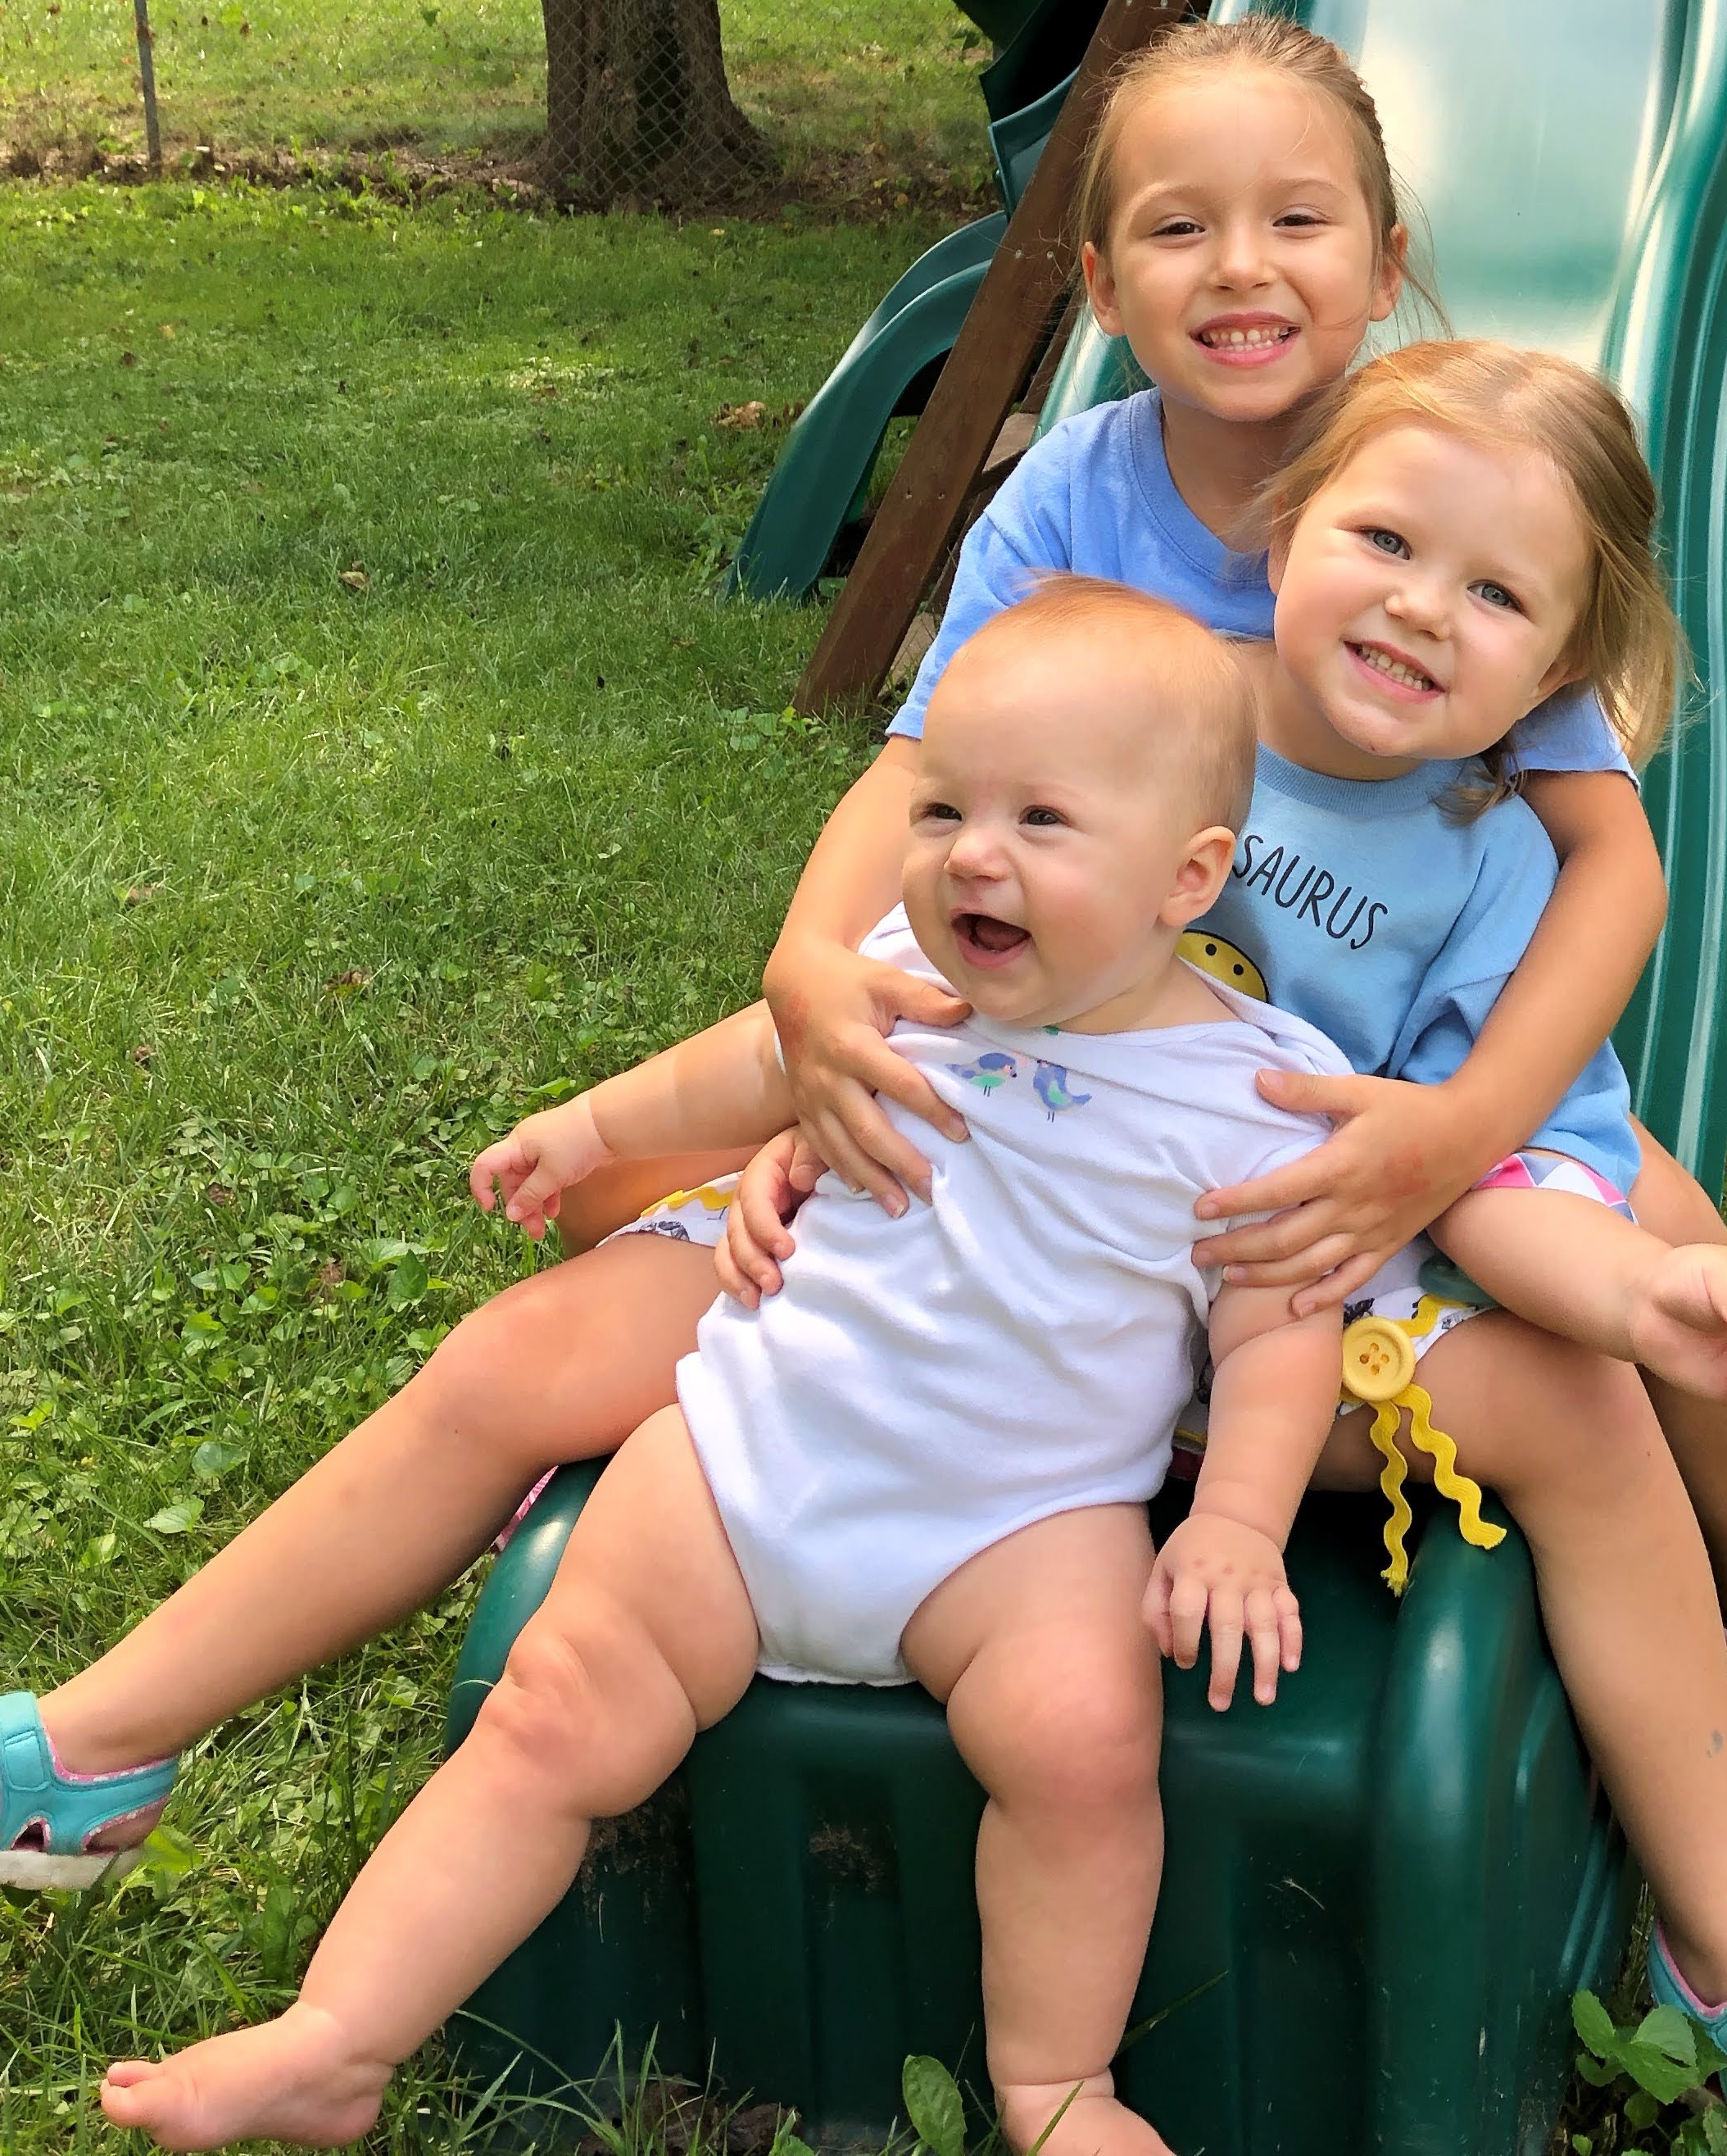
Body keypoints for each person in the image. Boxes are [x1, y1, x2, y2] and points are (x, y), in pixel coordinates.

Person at [0, 11, 1727, 1907]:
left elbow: (1606, 865)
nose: (1243, 267)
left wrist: (1460, 1126)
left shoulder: (1448, 502)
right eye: (1180, 227)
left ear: (1386, 263)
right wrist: (807, 970)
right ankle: (101, 1739)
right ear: (1103, 285)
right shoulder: (1087, 493)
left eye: (1298, 220)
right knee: (592, 1277)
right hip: (1025, 1106)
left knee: (1647, 1215)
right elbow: (919, 778)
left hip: (1299, 1150)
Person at [462, 342, 1727, 2155]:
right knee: (621, 1272)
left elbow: (1507, 1187)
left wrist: (1646, 1290)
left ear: (1562, 672)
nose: (1419, 609)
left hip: (1262, 1344)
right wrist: (727, 1101)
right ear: (1284, 533)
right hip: (1013, 1309)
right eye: (1386, 543)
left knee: (1585, 1400)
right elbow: (915, 944)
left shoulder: (1500, 865)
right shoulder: (1140, 720)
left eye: (1495, 596)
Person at [97, 585, 1356, 2156]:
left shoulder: (1250, 1095)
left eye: (1042, 820)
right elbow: (745, 1067)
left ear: (1189, 877)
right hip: (750, 1452)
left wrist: (1235, 1520)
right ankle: (338, 2037)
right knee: (551, 1706)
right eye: (946, 808)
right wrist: (596, 1128)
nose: (973, 855)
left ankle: (1058, 2087)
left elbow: (1278, 1326)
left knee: (1086, 1753)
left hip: (1017, 1529)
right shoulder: (896, 983)